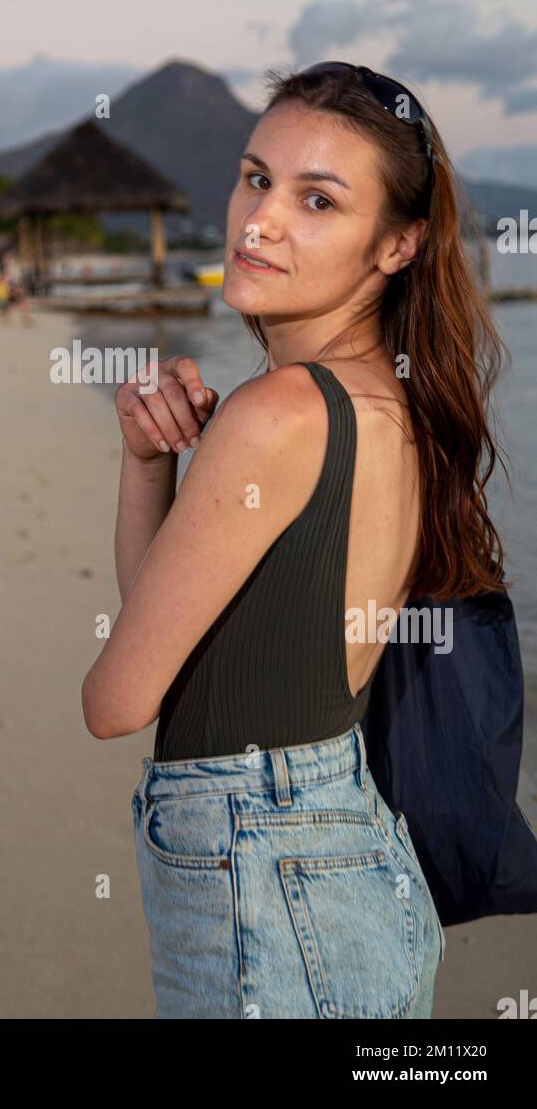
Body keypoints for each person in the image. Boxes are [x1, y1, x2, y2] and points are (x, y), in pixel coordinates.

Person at [81, 61, 509, 1019]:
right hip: (350, 862)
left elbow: (118, 699)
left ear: (396, 245)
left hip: (270, 889)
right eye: (256, 176)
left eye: (318, 200)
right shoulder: (389, 403)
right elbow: (192, 638)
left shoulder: (278, 412)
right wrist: (148, 464)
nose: (259, 219)